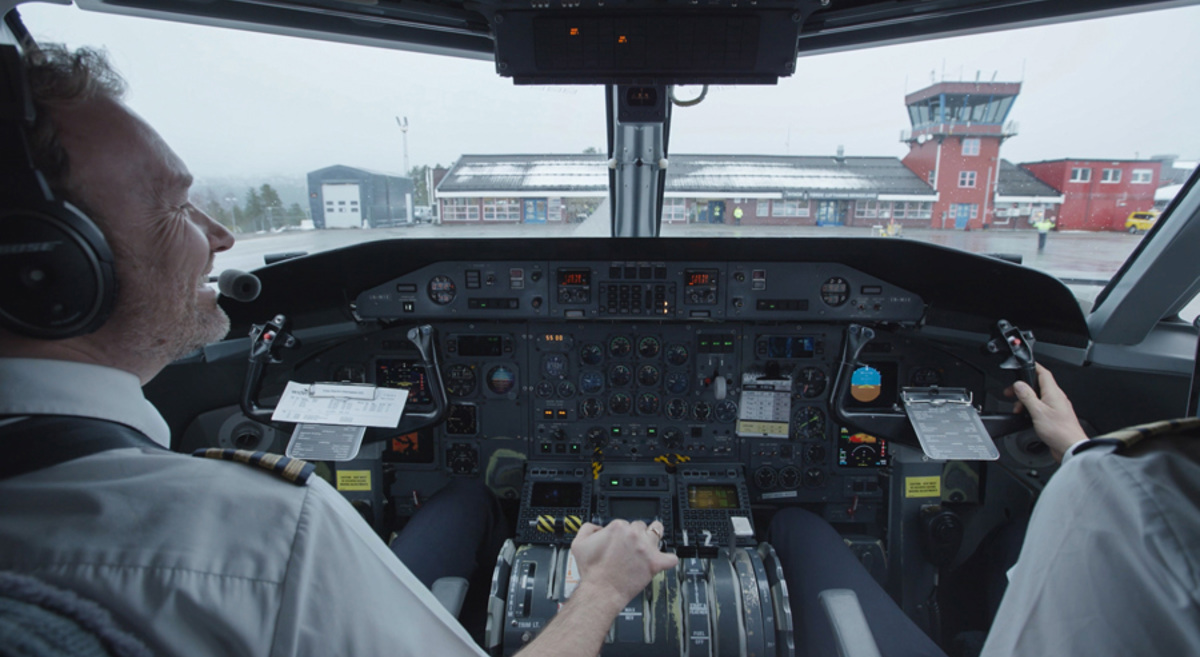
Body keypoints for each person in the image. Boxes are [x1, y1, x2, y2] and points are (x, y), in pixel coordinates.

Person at [0, 44, 677, 656]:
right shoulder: (261, 536)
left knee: (468, 498)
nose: (219, 235)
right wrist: (603, 585)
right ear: (50, 264)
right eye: (174, 208)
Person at [772, 363, 1200, 657]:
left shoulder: (1134, 478)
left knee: (796, 523)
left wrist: (1087, 462)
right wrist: (1074, 447)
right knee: (1011, 539)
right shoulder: (1140, 482)